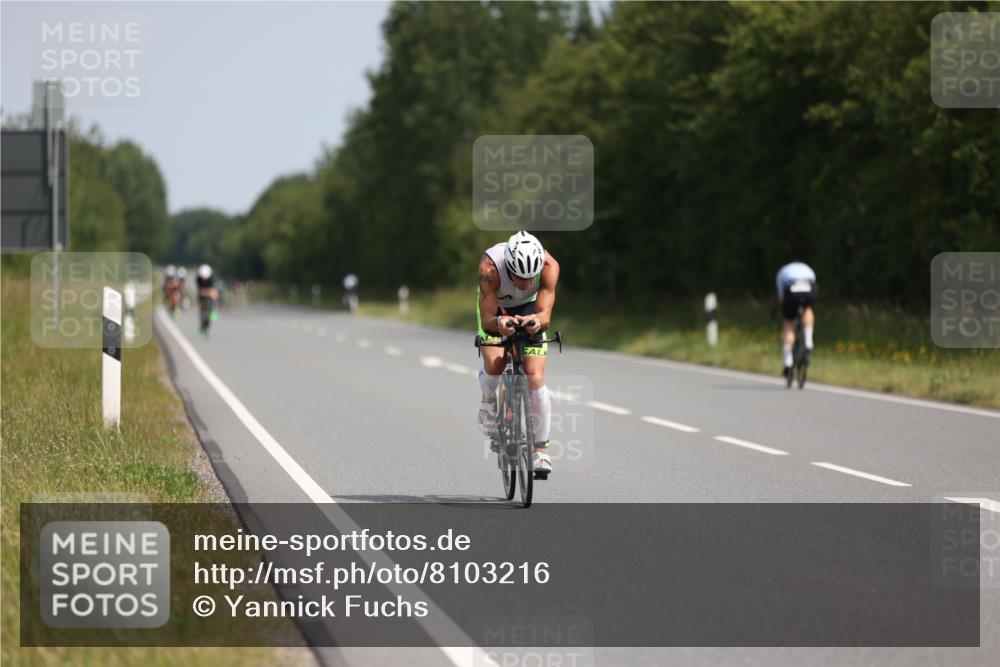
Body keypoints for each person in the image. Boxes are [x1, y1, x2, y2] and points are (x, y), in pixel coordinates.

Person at [476, 231, 559, 475]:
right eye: (519, 277)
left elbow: (545, 314)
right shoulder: (490, 269)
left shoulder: (550, 267)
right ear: (508, 267)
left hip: (529, 307)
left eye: (530, 277)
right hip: (496, 307)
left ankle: (541, 450)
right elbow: (487, 318)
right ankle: (488, 400)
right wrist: (499, 323)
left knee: (535, 375)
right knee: (496, 364)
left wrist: (537, 320)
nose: (525, 283)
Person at [775, 261, 817, 378]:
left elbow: (782, 297)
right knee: (807, 309)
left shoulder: (781, 273)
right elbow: (814, 282)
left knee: (789, 323)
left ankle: (787, 363)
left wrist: (784, 309)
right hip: (809, 287)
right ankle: (808, 342)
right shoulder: (807, 268)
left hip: (792, 289)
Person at [196, 264, 219, 336]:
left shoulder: (212, 279)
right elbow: (199, 290)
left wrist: (207, 292)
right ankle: (202, 323)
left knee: (214, 294)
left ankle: (214, 309)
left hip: (209, 291)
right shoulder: (198, 279)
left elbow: (213, 290)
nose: (204, 279)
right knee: (200, 304)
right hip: (202, 292)